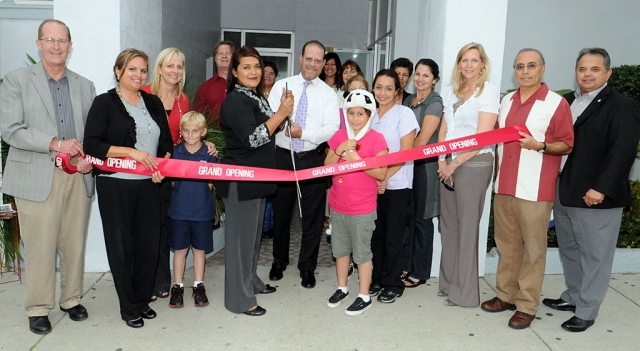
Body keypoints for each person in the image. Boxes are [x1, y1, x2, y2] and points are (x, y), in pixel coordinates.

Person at [0, 19, 95, 335]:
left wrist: (87, 160)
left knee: (74, 243)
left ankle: (71, 300)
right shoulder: (16, 81)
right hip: (36, 175)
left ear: (70, 46)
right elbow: (11, 130)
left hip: (76, 177)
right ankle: (39, 308)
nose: (56, 46)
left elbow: (91, 134)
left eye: (62, 40)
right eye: (49, 40)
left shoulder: (85, 85)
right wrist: (56, 144)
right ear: (38, 44)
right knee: (40, 246)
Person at [543, 48, 640, 332]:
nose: (587, 74)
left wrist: (601, 188)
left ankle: (587, 309)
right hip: (564, 189)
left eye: (594, 69)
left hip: (595, 195)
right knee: (570, 249)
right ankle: (574, 296)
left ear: (608, 73)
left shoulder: (622, 105)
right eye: (582, 68)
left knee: (595, 255)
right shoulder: (567, 100)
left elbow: (622, 152)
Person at [481, 48, 574, 330]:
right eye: (519, 66)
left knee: (533, 251)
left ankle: (527, 306)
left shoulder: (556, 103)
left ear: (542, 69)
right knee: (507, 247)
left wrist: (541, 145)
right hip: (505, 187)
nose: (525, 71)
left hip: (535, 190)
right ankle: (506, 296)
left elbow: (567, 143)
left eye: (531, 66)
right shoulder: (507, 100)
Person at [84, 48, 173, 328]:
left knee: (148, 245)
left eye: (143, 70)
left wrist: (162, 166)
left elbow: (166, 144)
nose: (138, 75)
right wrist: (130, 153)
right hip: (115, 186)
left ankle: (142, 299)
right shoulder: (104, 103)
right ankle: (128, 306)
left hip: (149, 186)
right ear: (118, 71)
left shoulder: (153, 102)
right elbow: (92, 145)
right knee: (122, 247)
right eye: (132, 69)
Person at [218, 45, 294, 316]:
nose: (253, 71)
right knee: (240, 243)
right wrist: (281, 114)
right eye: (246, 67)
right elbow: (253, 138)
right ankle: (239, 300)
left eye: (256, 66)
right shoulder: (235, 101)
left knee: (251, 241)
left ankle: (250, 282)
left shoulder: (254, 96)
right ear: (235, 72)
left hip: (257, 179)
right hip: (241, 180)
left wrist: (285, 119)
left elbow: (269, 129)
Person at [267, 40, 340, 288]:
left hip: (312, 159)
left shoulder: (329, 95)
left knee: (313, 217)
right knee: (281, 214)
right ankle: (279, 261)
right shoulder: (281, 86)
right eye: (309, 58)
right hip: (282, 158)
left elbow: (331, 129)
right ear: (300, 58)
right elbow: (270, 120)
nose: (312, 64)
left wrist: (304, 134)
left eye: (318, 60)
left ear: (323, 64)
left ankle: (307, 266)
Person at [436, 43, 500, 308]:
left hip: (474, 164)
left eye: (475, 60)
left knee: (467, 228)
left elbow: (482, 137)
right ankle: (449, 283)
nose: (469, 65)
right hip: (448, 163)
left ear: (482, 64)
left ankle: (465, 294)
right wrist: (442, 160)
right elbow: (444, 129)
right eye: (464, 60)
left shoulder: (488, 91)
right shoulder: (450, 92)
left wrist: (455, 163)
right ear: (459, 64)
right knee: (449, 226)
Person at [325, 90, 388, 315]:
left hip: (362, 208)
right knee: (340, 251)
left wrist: (357, 161)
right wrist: (339, 150)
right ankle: (342, 288)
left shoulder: (377, 139)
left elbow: (381, 173)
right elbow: (326, 164)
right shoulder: (340, 134)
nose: (355, 118)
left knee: (362, 253)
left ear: (369, 114)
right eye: (351, 113)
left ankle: (363, 295)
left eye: (360, 113)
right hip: (338, 205)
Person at [141, 47, 189, 302]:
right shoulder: (144, 94)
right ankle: (146, 280)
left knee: (163, 226)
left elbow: (184, 137)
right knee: (146, 227)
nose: (175, 71)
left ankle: (161, 281)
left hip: (170, 173)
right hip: (144, 170)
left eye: (179, 67)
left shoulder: (183, 100)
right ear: (159, 69)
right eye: (170, 66)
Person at [368, 69, 419, 303]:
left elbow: (406, 151)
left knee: (393, 237)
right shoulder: (370, 116)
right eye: (379, 87)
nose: (383, 92)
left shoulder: (404, 113)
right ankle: (377, 278)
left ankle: (393, 283)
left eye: (389, 88)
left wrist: (384, 177)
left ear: (397, 91)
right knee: (375, 235)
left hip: (397, 185)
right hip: (372, 186)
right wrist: (376, 179)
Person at [167, 111, 217, 308]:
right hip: (179, 211)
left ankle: (198, 285)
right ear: (181, 132)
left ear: (203, 132)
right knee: (179, 250)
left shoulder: (210, 154)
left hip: (202, 212)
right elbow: (172, 181)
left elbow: (211, 182)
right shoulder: (175, 153)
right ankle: (177, 286)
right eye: (186, 131)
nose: (190, 135)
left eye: (195, 131)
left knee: (199, 250)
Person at [401, 59, 443, 288]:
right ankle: (406, 265)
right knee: (408, 217)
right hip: (407, 166)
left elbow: (421, 141)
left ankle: (420, 270)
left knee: (422, 220)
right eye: (417, 74)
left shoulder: (435, 103)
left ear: (434, 79)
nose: (420, 79)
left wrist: (398, 156)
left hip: (424, 167)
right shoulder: (408, 100)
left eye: (426, 75)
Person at [193, 40, 235, 125]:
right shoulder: (204, 88)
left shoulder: (243, 85)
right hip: (212, 137)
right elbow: (197, 118)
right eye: (220, 53)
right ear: (215, 58)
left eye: (228, 53)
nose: (224, 56)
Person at [261, 60, 278, 239]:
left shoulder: (278, 95)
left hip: (274, 146)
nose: (267, 76)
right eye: (264, 72)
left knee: (272, 189)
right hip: (257, 145)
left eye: (271, 73)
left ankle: (269, 226)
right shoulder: (254, 95)